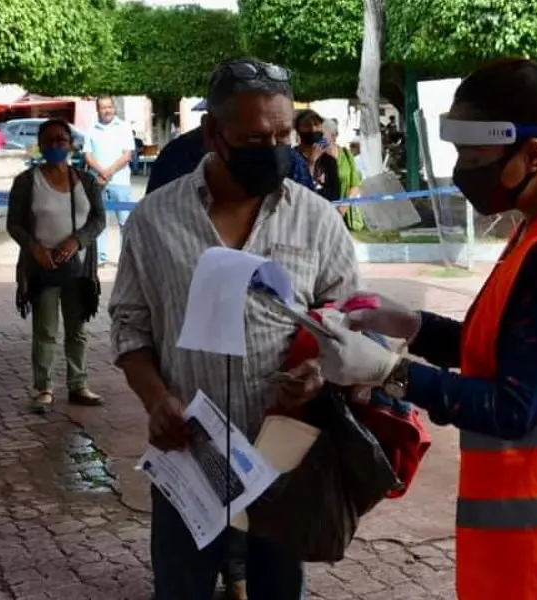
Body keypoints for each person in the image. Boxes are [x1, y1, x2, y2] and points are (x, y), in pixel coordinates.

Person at [309, 58, 537, 600]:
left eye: (472, 156)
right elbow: (508, 348)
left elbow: (513, 406)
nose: (463, 171)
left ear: (532, 155)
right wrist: (411, 326)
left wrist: (391, 373)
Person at [109, 57, 358, 600]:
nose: (272, 148)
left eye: (282, 134)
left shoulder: (316, 219)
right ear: (212, 135)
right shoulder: (154, 221)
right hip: (188, 456)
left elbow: (345, 321)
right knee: (182, 590)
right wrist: (155, 400)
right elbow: (129, 327)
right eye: (253, 137)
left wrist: (318, 368)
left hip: (282, 456)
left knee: (277, 590)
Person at [6, 119, 107, 412]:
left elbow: (98, 220)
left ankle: (79, 384)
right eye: (48, 141)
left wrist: (78, 241)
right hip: (42, 267)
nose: (54, 146)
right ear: (39, 144)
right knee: (45, 330)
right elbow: (15, 224)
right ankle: (43, 387)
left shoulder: (86, 181)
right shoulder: (27, 182)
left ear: (71, 144)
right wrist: (33, 248)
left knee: (77, 329)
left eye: (60, 140)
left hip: (78, 267)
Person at [84, 96, 135, 266]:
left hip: (120, 182)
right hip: (97, 182)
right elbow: (88, 156)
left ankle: (125, 259)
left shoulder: (124, 128)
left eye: (109, 107)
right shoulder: (91, 130)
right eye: (103, 107)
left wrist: (108, 172)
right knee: (99, 222)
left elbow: (127, 155)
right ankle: (100, 258)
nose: (107, 110)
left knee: (125, 222)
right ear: (98, 110)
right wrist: (101, 173)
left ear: (114, 108)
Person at [294, 109, 341, 202]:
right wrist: (311, 162)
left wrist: (312, 194)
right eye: (307, 125)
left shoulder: (329, 160)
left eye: (316, 125)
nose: (313, 129)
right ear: (298, 129)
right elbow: (297, 193)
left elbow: (335, 194)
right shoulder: (291, 157)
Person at [326, 119, 365, 229]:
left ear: (335, 136)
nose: (323, 139)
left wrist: (343, 207)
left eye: (326, 135)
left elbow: (355, 184)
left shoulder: (346, 155)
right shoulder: (317, 155)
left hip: (345, 215)